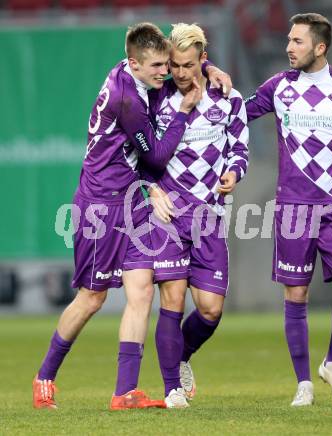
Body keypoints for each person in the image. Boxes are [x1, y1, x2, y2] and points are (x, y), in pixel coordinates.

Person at [32, 22, 229, 410]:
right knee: (91, 298)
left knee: (140, 292)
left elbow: (181, 67)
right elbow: (155, 155)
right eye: (157, 66)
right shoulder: (128, 101)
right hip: (101, 207)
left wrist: (209, 68)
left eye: (166, 64)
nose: (164, 72)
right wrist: (185, 113)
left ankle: (125, 392)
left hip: (129, 199)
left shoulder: (128, 71)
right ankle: (44, 378)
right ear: (135, 64)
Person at [244, 13, 332, 406]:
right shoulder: (279, 87)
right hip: (293, 208)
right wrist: (213, 82)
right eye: (288, 40)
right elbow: (238, 113)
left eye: (297, 42)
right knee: (296, 295)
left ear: (320, 47)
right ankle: (303, 384)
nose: (288, 48)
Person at [146, 23, 249, 408]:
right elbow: (146, 155)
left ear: (203, 61)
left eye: (188, 65)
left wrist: (234, 173)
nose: (179, 72)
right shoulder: (158, 100)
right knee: (171, 301)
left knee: (210, 309)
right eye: (174, 64)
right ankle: (172, 389)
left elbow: (240, 149)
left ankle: (182, 357)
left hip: (209, 215)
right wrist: (153, 189)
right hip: (169, 213)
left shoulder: (228, 99)